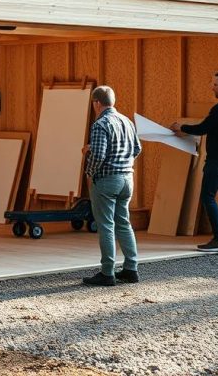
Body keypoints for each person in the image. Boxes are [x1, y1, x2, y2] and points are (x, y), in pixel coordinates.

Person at [169, 71, 218, 252]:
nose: (212, 87)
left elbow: (203, 128)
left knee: (207, 196)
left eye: (215, 85)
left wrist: (182, 127)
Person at [82, 85, 142, 287]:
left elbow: (98, 155)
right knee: (124, 223)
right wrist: (122, 162)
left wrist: (89, 172)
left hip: (107, 180)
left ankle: (107, 272)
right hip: (127, 179)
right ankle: (131, 268)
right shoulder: (126, 121)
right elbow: (137, 148)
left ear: (97, 103)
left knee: (106, 225)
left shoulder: (100, 124)